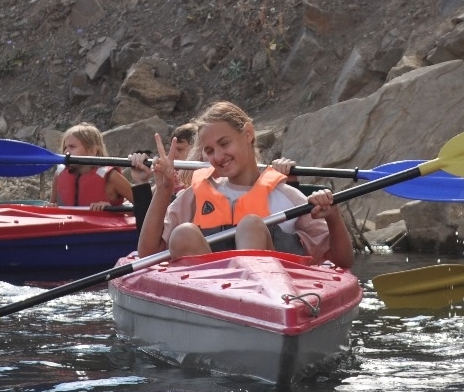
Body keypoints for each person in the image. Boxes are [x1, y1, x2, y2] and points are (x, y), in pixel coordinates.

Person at [134, 101, 355, 267]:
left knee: (251, 226)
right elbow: (148, 253)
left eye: (224, 143)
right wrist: (163, 190)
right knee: (183, 234)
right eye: (209, 150)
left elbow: (343, 260)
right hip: (210, 301)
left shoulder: (287, 197)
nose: (218, 156)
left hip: (272, 298)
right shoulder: (194, 196)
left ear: (248, 133)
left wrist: (333, 217)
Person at [49, 123, 133, 211]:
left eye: (72, 147)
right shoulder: (59, 174)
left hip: (104, 220)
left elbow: (140, 205)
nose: (66, 152)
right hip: (66, 220)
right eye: (65, 147)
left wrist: (111, 208)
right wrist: (52, 206)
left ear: (92, 151)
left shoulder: (111, 177)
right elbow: (52, 205)